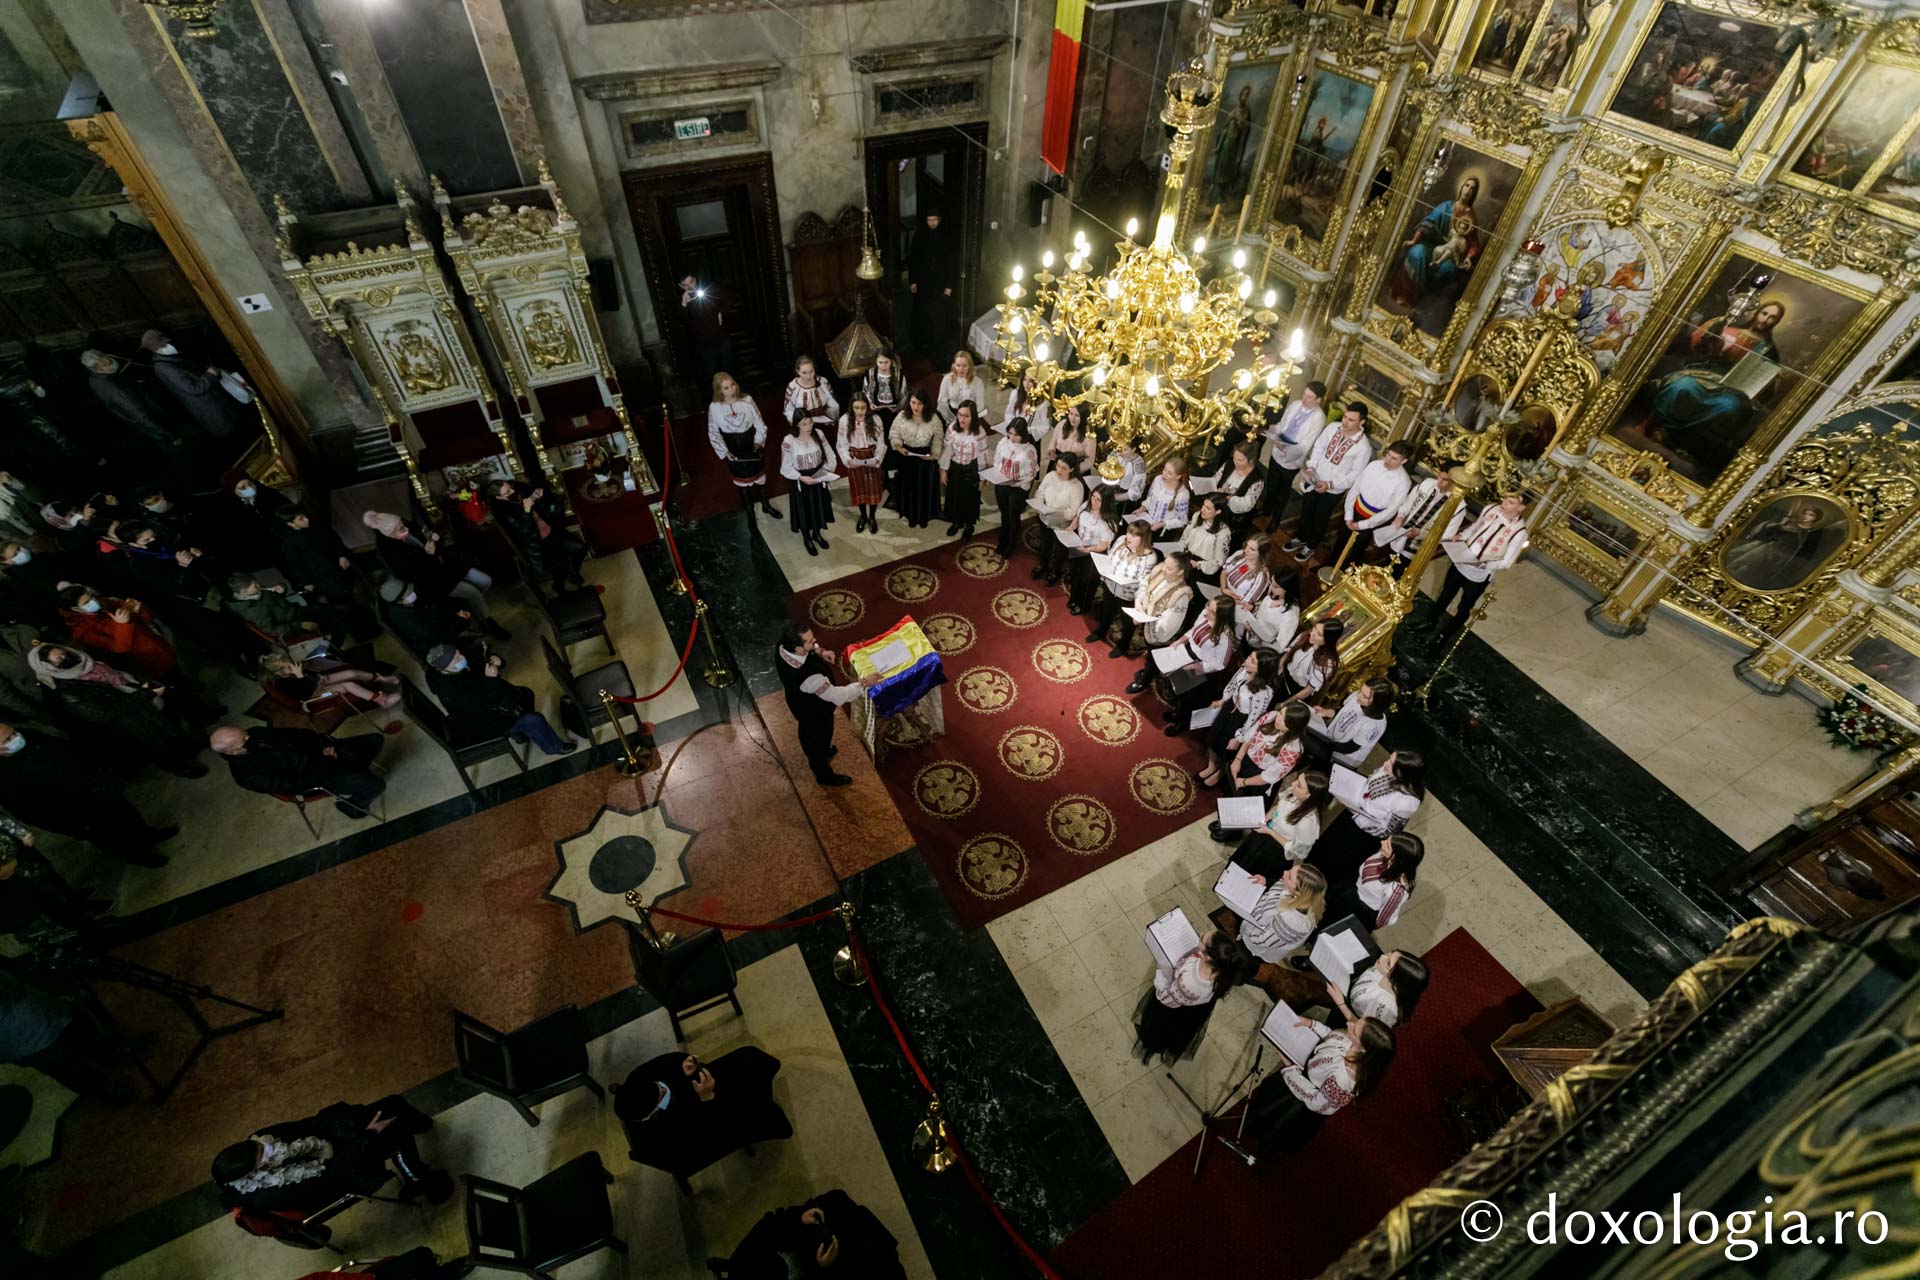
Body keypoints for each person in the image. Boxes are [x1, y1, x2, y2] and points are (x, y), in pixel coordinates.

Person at [212, 1096, 451, 1212]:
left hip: (330, 1143)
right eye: (262, 1155)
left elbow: (304, 1127)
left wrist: (349, 1123)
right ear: (256, 1171)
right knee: (396, 1133)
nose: (267, 1147)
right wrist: (367, 1135)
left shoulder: (261, 1140)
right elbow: (331, 1174)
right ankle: (418, 1180)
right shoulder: (271, 1192)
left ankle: (420, 1124)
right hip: (338, 1177)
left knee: (393, 1105)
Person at [0, 723, 177, 866]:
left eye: (13, 732)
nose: (16, 738)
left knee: (126, 813)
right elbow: (28, 811)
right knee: (111, 836)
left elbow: (66, 748)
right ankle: (140, 857)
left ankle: (147, 835)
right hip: (75, 812)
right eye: (8, 739)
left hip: (94, 787)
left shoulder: (31, 737)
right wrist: (69, 826)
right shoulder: (5, 777)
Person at [28, 643, 209, 776]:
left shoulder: (88, 661)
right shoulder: (69, 691)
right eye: (59, 659)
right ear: (50, 668)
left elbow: (117, 674)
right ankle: (180, 767)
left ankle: (188, 747)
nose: (66, 657)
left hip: (138, 699)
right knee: (158, 745)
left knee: (168, 725)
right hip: (129, 720)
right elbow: (104, 714)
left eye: (64, 652)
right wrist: (144, 695)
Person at [615, 1047, 793, 1177]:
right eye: (661, 1093)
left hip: (697, 1087)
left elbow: (668, 1060)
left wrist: (683, 1063)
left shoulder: (637, 1079)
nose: (663, 1087)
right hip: (708, 1117)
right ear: (652, 1112)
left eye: (659, 1086)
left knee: (748, 1059)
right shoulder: (662, 1132)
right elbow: (709, 1135)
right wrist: (708, 1097)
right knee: (756, 1105)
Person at [1243, 1016, 1396, 1154]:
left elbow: (1317, 1102)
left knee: (1273, 1126)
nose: (1349, 1023)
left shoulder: (1343, 1080)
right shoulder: (1354, 1043)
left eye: (1354, 1029)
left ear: (1364, 1049)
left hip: (1298, 1102)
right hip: (1302, 1074)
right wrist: (1312, 1024)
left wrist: (1290, 1069)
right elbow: (1332, 1036)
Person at [0, 969, 137, 1102]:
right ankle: (103, 1089)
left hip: (36, 1007)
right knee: (64, 1065)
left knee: (79, 1028)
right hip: (19, 1037)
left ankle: (109, 1054)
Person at [361, 512, 504, 639]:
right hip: (434, 580)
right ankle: (487, 622)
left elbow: (430, 536)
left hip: (448, 564)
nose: (406, 528)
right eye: (400, 528)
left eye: (402, 524)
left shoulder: (406, 526)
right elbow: (414, 574)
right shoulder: (390, 552)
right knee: (473, 593)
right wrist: (427, 555)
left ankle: (473, 608)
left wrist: (436, 539)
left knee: (485, 581)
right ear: (390, 534)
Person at [775, 624, 879, 788]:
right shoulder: (809, 678)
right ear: (797, 647)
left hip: (799, 699)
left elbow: (809, 649)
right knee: (817, 740)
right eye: (810, 641)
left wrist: (820, 651)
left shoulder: (782, 647)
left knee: (817, 739)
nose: (815, 641)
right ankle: (823, 774)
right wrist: (865, 683)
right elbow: (839, 696)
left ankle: (822, 752)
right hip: (814, 712)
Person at [425, 644, 576, 756]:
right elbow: (484, 706)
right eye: (456, 658)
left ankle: (521, 733)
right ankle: (553, 747)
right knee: (533, 719)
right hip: (484, 721)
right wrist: (491, 680)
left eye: (459, 653)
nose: (462, 658)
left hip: (493, 699)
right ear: (446, 668)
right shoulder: (450, 691)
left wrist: (498, 660)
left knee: (526, 693)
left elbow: (482, 657)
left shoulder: (456, 667)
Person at [210, 723, 387, 818]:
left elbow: (298, 733)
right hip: (319, 777)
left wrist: (324, 743)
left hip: (322, 752)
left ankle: (357, 772)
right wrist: (326, 761)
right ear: (231, 751)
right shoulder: (246, 775)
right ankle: (353, 808)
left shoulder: (255, 732)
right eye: (244, 740)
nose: (250, 737)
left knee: (375, 740)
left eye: (245, 733)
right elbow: (296, 784)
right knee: (376, 785)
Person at [723, 1188, 907, 1279]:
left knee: (836, 1203)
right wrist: (824, 1269)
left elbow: (769, 1224)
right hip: (818, 1272)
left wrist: (799, 1219)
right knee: (878, 1261)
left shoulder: (741, 1266)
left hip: (798, 1242)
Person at [1309, 749, 1425, 891]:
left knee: (1338, 862)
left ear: (1402, 772)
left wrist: (1359, 811)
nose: (1385, 763)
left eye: (1391, 763)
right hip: (1352, 814)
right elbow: (1371, 780)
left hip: (1364, 836)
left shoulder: (1407, 802)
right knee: (1324, 847)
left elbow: (1389, 829)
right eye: (1389, 759)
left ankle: (1315, 887)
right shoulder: (1388, 771)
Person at [1134, 929, 1244, 1064]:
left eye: (1201, 938)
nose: (1200, 933)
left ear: (1208, 957)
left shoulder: (1190, 983)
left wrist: (1161, 968)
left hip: (1174, 1010)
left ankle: (1155, 1043)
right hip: (1193, 1008)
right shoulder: (1224, 968)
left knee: (1160, 1032)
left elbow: (1165, 998)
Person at [1432, 491, 1530, 639]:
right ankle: (1429, 621)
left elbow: (1507, 562)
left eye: (1511, 502)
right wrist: (1461, 536)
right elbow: (1474, 527)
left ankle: (1444, 637)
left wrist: (1482, 564)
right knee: (1445, 593)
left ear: (1521, 508)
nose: (1503, 503)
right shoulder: (1490, 509)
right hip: (1461, 561)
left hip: (1478, 575)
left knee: (1464, 607)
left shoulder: (1519, 532)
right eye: (1504, 499)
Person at [1130, 593, 1235, 720]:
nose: (1207, 612)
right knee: (1156, 658)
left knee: (1186, 695)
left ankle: (1179, 718)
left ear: (1222, 617)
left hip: (1201, 664)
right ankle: (1146, 681)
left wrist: (1195, 667)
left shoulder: (1225, 638)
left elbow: (1220, 664)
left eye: (1212, 612)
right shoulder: (1204, 614)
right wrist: (1181, 640)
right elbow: (1193, 630)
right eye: (1208, 606)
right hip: (1187, 651)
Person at [142, 329, 254, 444]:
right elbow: (194, 388)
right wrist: (210, 374)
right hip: (210, 407)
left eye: (167, 342)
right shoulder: (166, 368)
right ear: (156, 349)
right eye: (164, 345)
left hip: (214, 401)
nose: (169, 345)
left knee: (238, 429)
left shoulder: (170, 359)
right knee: (235, 437)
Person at [1290, 402, 1372, 558]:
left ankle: (1311, 545)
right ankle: (1300, 537)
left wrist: (1330, 484)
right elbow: (1319, 447)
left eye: (1351, 420)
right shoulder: (1333, 427)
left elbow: (1355, 474)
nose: (1345, 422)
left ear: (1362, 422)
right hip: (1315, 478)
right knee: (1306, 510)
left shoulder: (1363, 447)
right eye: (1345, 417)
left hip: (1333, 489)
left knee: (1320, 517)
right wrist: (1312, 467)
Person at [80, 348, 187, 467]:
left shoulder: (94, 379)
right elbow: (142, 416)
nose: (112, 361)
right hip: (157, 429)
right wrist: (172, 435)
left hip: (144, 426)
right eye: (108, 362)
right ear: (99, 368)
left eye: (108, 358)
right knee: (179, 454)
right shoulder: (116, 391)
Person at [56, 583, 178, 680]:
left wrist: (140, 610)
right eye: (87, 602)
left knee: (178, 671)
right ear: (75, 608)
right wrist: (122, 624)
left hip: (160, 647)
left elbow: (146, 620)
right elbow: (118, 648)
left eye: (91, 597)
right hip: (147, 661)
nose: (94, 602)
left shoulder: (107, 603)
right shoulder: (82, 632)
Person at [1189, 647, 1278, 781]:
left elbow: (1254, 719)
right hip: (1229, 708)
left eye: (1252, 661)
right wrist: (1223, 700)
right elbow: (1232, 684)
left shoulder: (1264, 692)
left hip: (1240, 720)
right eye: (1249, 657)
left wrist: (1239, 738)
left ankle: (1219, 774)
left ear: (1262, 669)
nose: (1247, 661)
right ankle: (1211, 766)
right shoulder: (1244, 668)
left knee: (1227, 750)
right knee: (1215, 738)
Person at [1214, 702, 1321, 811]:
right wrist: (1238, 759)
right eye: (1280, 713)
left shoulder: (1293, 749)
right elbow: (1249, 738)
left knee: (1237, 805)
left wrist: (1244, 782)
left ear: (1293, 726)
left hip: (1258, 776)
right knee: (1227, 790)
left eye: (1283, 719)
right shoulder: (1271, 716)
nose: (1277, 718)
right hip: (1245, 759)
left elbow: (1268, 777)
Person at [489, 480, 587, 593]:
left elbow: (536, 494)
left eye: (510, 487)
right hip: (538, 543)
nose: (513, 490)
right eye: (508, 492)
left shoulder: (519, 489)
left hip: (551, 530)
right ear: (500, 497)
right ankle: (558, 587)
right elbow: (525, 532)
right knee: (561, 564)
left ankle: (573, 572)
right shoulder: (505, 512)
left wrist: (539, 494)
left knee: (581, 548)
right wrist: (526, 511)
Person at [708, 372, 780, 522]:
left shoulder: (747, 400)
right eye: (726, 388)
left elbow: (760, 424)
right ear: (719, 390)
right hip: (734, 447)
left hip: (751, 444)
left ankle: (765, 505)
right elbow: (713, 432)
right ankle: (750, 515)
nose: (731, 390)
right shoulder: (714, 407)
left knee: (760, 478)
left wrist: (758, 442)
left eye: (732, 385)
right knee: (742, 486)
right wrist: (725, 451)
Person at [1229, 769, 1332, 871]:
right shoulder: (1294, 792)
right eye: (1297, 780)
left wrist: (1269, 831)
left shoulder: (1308, 822)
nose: (1293, 783)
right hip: (1266, 831)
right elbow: (1278, 805)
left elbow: (1297, 852)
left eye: (1299, 785)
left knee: (1252, 871)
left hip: (1276, 849)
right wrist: (1264, 819)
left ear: (1308, 795)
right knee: (1238, 862)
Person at [271, 508, 365, 620]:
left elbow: (333, 538)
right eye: (301, 519)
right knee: (341, 604)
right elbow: (295, 564)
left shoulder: (316, 526)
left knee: (354, 595)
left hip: (337, 564)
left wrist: (341, 555)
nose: (306, 519)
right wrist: (306, 582)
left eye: (304, 516)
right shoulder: (289, 542)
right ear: (291, 524)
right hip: (322, 575)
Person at [1259, 380, 1327, 526]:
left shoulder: (1318, 418)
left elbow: (1306, 444)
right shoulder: (1295, 405)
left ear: (1318, 400)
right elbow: (1282, 425)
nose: (1304, 399)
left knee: (1282, 492)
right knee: (1271, 483)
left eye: (1309, 397)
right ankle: (1266, 509)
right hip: (1277, 450)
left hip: (1291, 460)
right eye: (1304, 394)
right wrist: (1273, 432)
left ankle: (1276, 519)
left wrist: (1285, 449)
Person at [1084, 519, 1159, 646]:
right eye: (1129, 532)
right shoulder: (1121, 540)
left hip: (1127, 595)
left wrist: (1138, 600)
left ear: (1143, 538)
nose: (1128, 536)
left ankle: (1123, 645)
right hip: (1110, 586)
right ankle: (1101, 632)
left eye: (1134, 535)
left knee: (1127, 622)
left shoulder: (1150, 558)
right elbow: (1110, 557)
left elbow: (1144, 583)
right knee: (1107, 612)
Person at [1235, 862, 1326, 964]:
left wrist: (1247, 934)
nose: (1285, 872)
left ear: (1298, 892)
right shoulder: (1300, 893)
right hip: (1254, 922)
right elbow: (1278, 888)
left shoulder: (1293, 922)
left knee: (1239, 958)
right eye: (1290, 870)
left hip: (1254, 946)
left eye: (1290, 877)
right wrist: (1266, 881)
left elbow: (1265, 941)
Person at [1107, 549, 1191, 659]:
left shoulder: (1180, 595)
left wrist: (1148, 616)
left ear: (1180, 572)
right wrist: (1139, 600)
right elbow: (1144, 585)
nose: (1164, 569)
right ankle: (1124, 645)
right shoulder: (1159, 572)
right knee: (1128, 626)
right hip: (1142, 614)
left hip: (1154, 629)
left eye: (1169, 568)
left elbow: (1169, 625)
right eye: (1164, 564)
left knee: (1152, 657)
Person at [1342, 440, 1415, 561]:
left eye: (1394, 459)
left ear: (1404, 461)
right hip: (1354, 510)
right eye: (1388, 455)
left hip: (1372, 519)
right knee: (1341, 540)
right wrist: (1348, 514)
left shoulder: (1403, 481)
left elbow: (1391, 511)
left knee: (1356, 550)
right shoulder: (1374, 465)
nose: (1388, 460)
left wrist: (1362, 525)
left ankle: (1346, 574)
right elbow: (1356, 488)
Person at [1333, 831, 1424, 929]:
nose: (1382, 842)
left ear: (1396, 856)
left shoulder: (1396, 890)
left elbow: (1384, 918)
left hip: (1358, 909)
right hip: (1349, 890)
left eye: (1388, 845)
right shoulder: (1384, 855)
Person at [780, 411, 840, 555]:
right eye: (804, 424)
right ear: (797, 424)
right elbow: (785, 466)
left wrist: (825, 472)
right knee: (804, 510)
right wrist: (800, 477)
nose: (808, 426)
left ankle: (817, 533)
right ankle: (806, 537)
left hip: (817, 478)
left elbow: (830, 456)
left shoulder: (818, 434)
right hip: (801, 481)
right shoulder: (789, 440)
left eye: (810, 422)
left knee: (818, 508)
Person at [376, 578, 478, 661]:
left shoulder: (406, 604)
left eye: (411, 590)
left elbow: (432, 606)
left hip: (432, 624)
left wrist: (454, 612)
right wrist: (458, 619)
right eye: (408, 594)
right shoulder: (408, 620)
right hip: (433, 644)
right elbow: (439, 636)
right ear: (399, 601)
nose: (413, 594)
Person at [260, 650, 399, 710]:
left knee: (351, 672)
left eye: (289, 662)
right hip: (314, 696)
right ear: (278, 672)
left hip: (316, 682)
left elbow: (308, 673)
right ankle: (381, 700)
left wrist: (316, 676)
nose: (292, 666)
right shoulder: (282, 683)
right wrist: (300, 676)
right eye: (287, 667)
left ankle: (381, 678)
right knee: (347, 686)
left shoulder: (290, 669)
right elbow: (304, 692)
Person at [1326, 951, 1428, 1028]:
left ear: (1396, 981)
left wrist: (1341, 1003)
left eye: (1388, 963)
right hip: (1349, 991)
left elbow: (1361, 1031)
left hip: (1346, 1017)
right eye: (1390, 953)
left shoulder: (1384, 1009)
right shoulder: (1383, 971)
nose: (1382, 956)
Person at [888, 389, 943, 530]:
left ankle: (923, 516)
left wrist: (934, 454)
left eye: (919, 403)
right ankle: (910, 514)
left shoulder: (933, 418)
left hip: (925, 458)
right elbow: (894, 432)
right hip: (906, 457)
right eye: (913, 402)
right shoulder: (902, 416)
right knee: (908, 487)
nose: (915, 407)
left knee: (923, 488)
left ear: (925, 405)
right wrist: (898, 446)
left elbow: (938, 437)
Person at [1057, 486, 1120, 607]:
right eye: (1093, 497)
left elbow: (1103, 545)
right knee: (1075, 574)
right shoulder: (1087, 505)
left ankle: (1083, 605)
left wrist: (1089, 549)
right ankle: (1074, 598)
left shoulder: (1108, 522)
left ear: (1106, 502)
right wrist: (1071, 527)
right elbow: (1078, 517)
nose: (1094, 502)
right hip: (1080, 545)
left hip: (1095, 553)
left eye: (1098, 500)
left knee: (1087, 582)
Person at [1028, 457, 1088, 582]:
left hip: (1062, 524)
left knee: (1060, 549)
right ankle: (1042, 564)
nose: (1059, 470)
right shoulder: (1051, 476)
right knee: (1045, 544)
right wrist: (1040, 504)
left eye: (1064, 468)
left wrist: (1055, 512)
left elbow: (1072, 512)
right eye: (1058, 466)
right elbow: (1040, 492)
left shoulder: (1076, 486)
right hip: (1045, 518)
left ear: (1072, 469)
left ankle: (1055, 571)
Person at [1311, 677, 1392, 769]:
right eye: (1360, 690)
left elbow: (1349, 747)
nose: (1358, 696)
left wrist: (1322, 743)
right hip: (1332, 740)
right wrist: (1327, 712)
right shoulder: (1357, 696)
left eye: (1365, 696)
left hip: (1343, 759)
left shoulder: (1373, 725)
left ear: (1377, 703)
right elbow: (1344, 712)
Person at [225, 573, 328, 646]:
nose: (259, 585)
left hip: (296, 611)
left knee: (332, 609)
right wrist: (300, 625)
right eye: (255, 586)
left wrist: (282, 589)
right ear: (243, 593)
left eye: (257, 583)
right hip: (294, 624)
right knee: (335, 622)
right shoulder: (253, 610)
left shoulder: (255, 592)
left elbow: (276, 600)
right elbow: (273, 630)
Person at [1384, 467, 1456, 569]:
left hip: (1417, 548)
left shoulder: (1458, 505)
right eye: (1439, 476)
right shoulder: (1427, 484)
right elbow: (1408, 503)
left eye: (1445, 479)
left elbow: (1446, 535)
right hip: (1400, 534)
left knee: (1399, 575)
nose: (1439, 481)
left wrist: (1420, 533)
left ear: (1453, 482)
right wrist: (1400, 516)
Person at [938, 400, 990, 540]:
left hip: (971, 470)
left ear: (973, 417)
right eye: (960, 415)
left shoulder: (979, 433)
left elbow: (983, 456)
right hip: (955, 468)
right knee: (954, 496)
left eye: (966, 416)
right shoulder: (952, 428)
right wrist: (943, 470)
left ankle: (969, 524)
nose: (961, 419)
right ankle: (957, 521)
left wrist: (983, 477)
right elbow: (946, 451)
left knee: (970, 499)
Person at [906, 209, 955, 359]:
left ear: (939, 220)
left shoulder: (946, 237)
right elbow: (913, 259)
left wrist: (949, 285)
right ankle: (922, 343)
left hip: (940, 283)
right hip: (923, 282)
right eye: (929, 220)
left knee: (938, 314)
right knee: (922, 313)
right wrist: (912, 280)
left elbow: (951, 263)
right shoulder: (920, 236)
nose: (932, 223)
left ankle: (938, 344)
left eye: (935, 220)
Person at [837, 393, 886, 534]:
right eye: (856, 408)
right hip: (855, 457)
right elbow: (841, 444)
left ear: (868, 407)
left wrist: (877, 459)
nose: (859, 411)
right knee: (859, 489)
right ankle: (863, 516)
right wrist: (848, 460)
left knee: (873, 488)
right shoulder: (844, 421)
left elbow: (881, 443)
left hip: (871, 456)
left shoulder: (876, 419)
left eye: (863, 408)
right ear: (851, 407)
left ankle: (872, 517)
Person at [989, 419, 1039, 559]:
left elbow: (1031, 474)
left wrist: (1015, 482)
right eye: (1010, 433)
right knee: (1004, 513)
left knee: (1013, 515)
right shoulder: (1003, 443)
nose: (1012, 437)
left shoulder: (1029, 450)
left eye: (1016, 435)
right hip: (1002, 484)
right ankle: (1003, 539)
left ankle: (1011, 543)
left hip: (1017, 488)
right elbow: (997, 462)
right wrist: (999, 475)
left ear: (1023, 435)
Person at [680, 274, 733, 387]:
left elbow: (728, 299)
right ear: (681, 286)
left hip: (722, 340)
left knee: (730, 373)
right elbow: (682, 323)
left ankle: (735, 400)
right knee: (713, 379)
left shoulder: (709, 290)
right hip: (704, 346)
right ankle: (719, 402)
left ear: (695, 279)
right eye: (685, 285)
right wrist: (684, 304)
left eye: (691, 282)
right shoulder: (684, 300)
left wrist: (721, 312)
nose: (690, 287)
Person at [1276, 616, 1344, 703]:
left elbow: (1308, 690)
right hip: (1281, 674)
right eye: (1314, 628)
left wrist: (1284, 704)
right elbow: (1288, 653)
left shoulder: (1327, 663)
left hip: (1294, 691)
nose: (1313, 633)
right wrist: (1277, 672)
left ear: (1328, 640)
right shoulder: (1305, 636)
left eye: (1319, 634)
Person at [1209, 440, 1267, 540]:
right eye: (1235, 458)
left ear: (1251, 460)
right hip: (1217, 508)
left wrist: (1227, 497)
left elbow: (1247, 505)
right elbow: (1215, 479)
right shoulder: (1229, 464)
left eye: (1240, 460)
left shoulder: (1256, 479)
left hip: (1235, 519)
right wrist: (1214, 488)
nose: (1236, 462)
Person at [1177, 494, 1234, 584]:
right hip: (1187, 558)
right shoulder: (1197, 516)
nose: (1202, 509)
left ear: (1218, 511)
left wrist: (1198, 564)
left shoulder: (1223, 532)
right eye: (1203, 505)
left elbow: (1219, 561)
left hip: (1202, 569)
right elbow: (1185, 536)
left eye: (1208, 508)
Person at [783, 355, 840, 437]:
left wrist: (832, 416)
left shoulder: (823, 381)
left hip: (824, 422)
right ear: (797, 371)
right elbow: (788, 410)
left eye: (811, 371)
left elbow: (831, 401)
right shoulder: (793, 387)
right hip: (804, 425)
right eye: (804, 373)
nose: (808, 376)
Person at [1133, 457, 1192, 534]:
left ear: (1178, 476)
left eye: (1169, 473)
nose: (1165, 474)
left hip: (1162, 531)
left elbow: (1182, 520)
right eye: (1164, 470)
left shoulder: (1182, 494)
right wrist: (1142, 508)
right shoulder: (1157, 480)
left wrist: (1162, 524)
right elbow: (1149, 499)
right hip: (1147, 522)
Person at [934, 350, 989, 427]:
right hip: (951, 413)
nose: (960, 369)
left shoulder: (978, 382)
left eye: (964, 366)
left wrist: (967, 419)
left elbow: (980, 406)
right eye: (958, 365)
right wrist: (951, 419)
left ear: (970, 366)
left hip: (969, 415)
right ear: (954, 365)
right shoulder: (947, 379)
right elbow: (941, 402)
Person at [1002, 373, 1051, 450]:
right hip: (1013, 436)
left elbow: (1046, 427)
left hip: (1030, 439)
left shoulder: (1044, 404)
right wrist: (1013, 426)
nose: (1026, 384)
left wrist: (1026, 430)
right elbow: (1008, 412)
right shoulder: (1015, 394)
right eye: (1025, 380)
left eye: (1030, 381)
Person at [1050, 403, 1097, 475]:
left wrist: (1071, 471)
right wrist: (1051, 450)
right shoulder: (1062, 424)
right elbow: (1053, 440)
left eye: (1076, 415)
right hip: (1058, 464)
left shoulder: (1089, 435)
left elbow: (1089, 461)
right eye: (1071, 414)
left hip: (1076, 468)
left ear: (1083, 417)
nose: (1072, 418)